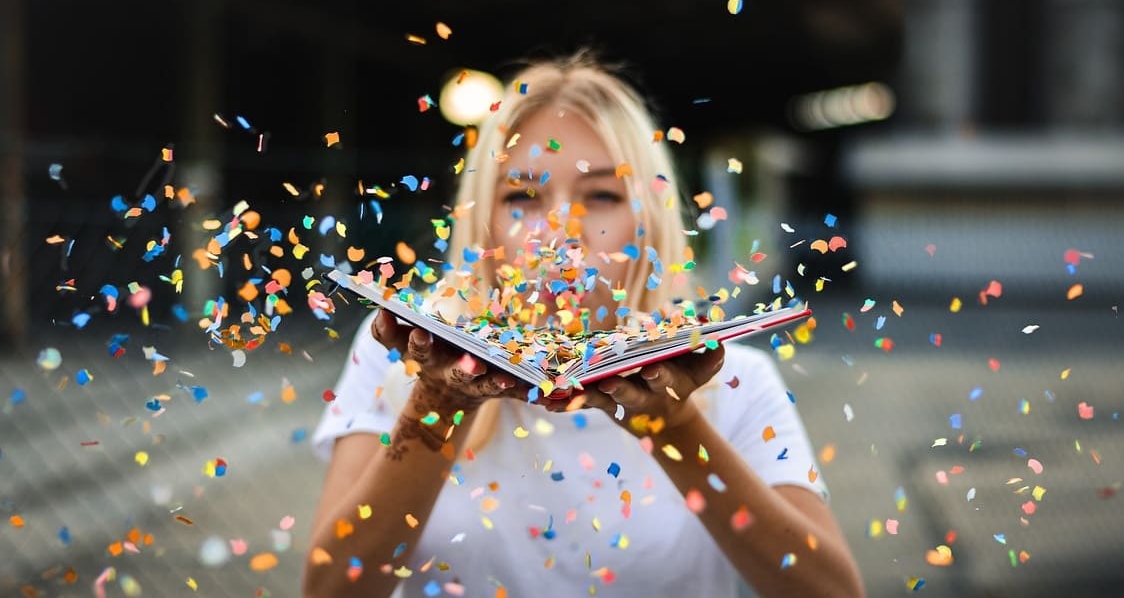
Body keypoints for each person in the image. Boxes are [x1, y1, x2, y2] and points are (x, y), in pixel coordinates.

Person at [303, 50, 864, 598]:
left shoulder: (738, 381)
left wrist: (673, 427)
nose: (559, 231)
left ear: (647, 220)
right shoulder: (402, 354)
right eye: (523, 195)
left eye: (600, 194)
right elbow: (329, 589)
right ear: (485, 224)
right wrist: (437, 403)